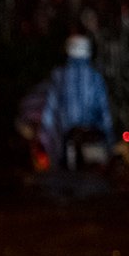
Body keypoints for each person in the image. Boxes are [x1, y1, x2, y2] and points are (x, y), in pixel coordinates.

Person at [38, 34, 114, 170]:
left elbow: (50, 109)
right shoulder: (95, 77)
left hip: (67, 137)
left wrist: (44, 136)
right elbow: (104, 112)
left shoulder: (59, 75)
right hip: (89, 135)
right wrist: (109, 139)